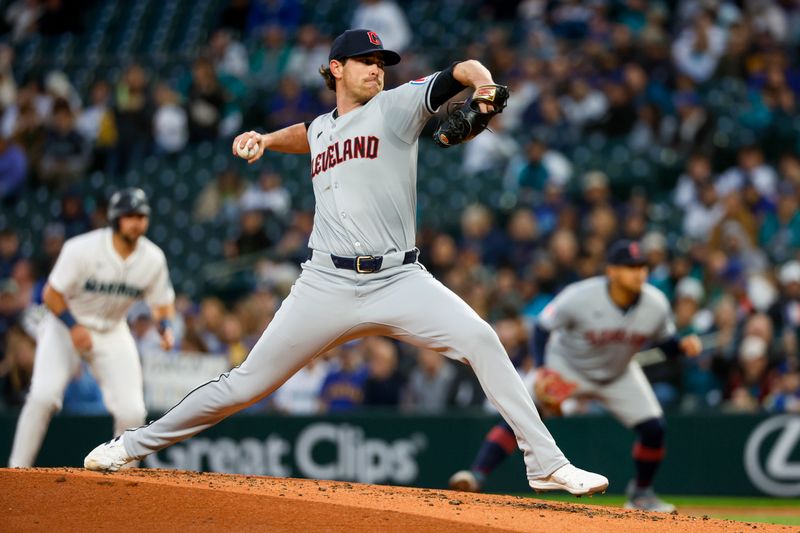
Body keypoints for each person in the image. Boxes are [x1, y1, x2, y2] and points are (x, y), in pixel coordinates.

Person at [83, 28, 608, 497]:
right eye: (365, 60)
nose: (377, 68)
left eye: (381, 61)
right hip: (325, 282)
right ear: (336, 68)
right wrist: (265, 139)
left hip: (400, 278)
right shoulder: (322, 129)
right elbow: (308, 133)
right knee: (244, 384)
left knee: (481, 339)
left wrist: (486, 86)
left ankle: (547, 464)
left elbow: (464, 70)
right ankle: (131, 445)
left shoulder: (398, 105)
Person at [449, 240, 702, 512]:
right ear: (612, 271)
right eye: (630, 267)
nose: (638, 273)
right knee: (522, 415)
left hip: (618, 373)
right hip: (566, 368)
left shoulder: (656, 304)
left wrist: (681, 347)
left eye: (642, 267)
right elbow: (542, 329)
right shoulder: (580, 296)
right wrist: (544, 369)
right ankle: (477, 474)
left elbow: (666, 342)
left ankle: (641, 495)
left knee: (654, 429)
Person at [9, 188, 176, 467]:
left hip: (112, 329)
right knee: (42, 396)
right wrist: (73, 327)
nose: (136, 222)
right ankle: (16, 470)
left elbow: (161, 303)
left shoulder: (152, 258)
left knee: (132, 410)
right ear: (115, 219)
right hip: (65, 325)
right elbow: (51, 295)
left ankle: (125, 479)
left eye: (141, 216)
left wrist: (166, 326)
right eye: (130, 216)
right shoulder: (81, 248)